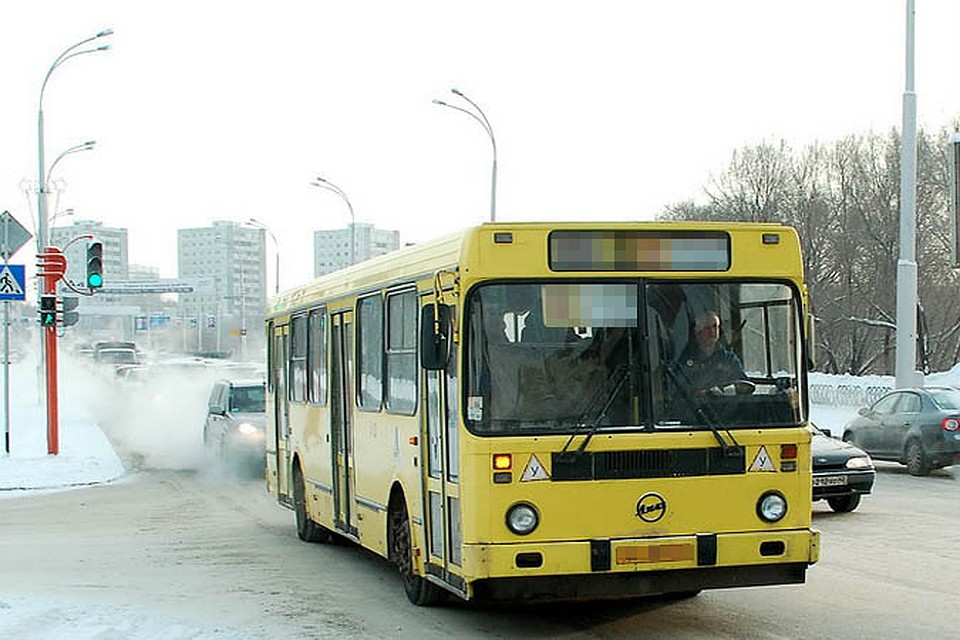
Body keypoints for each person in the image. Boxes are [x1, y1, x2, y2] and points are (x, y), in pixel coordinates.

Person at [671, 311, 752, 396]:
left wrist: (729, 389)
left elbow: (744, 385)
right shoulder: (686, 360)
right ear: (697, 332)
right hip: (695, 407)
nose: (712, 331)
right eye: (707, 328)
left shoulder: (729, 359)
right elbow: (678, 390)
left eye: (715, 326)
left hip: (726, 406)